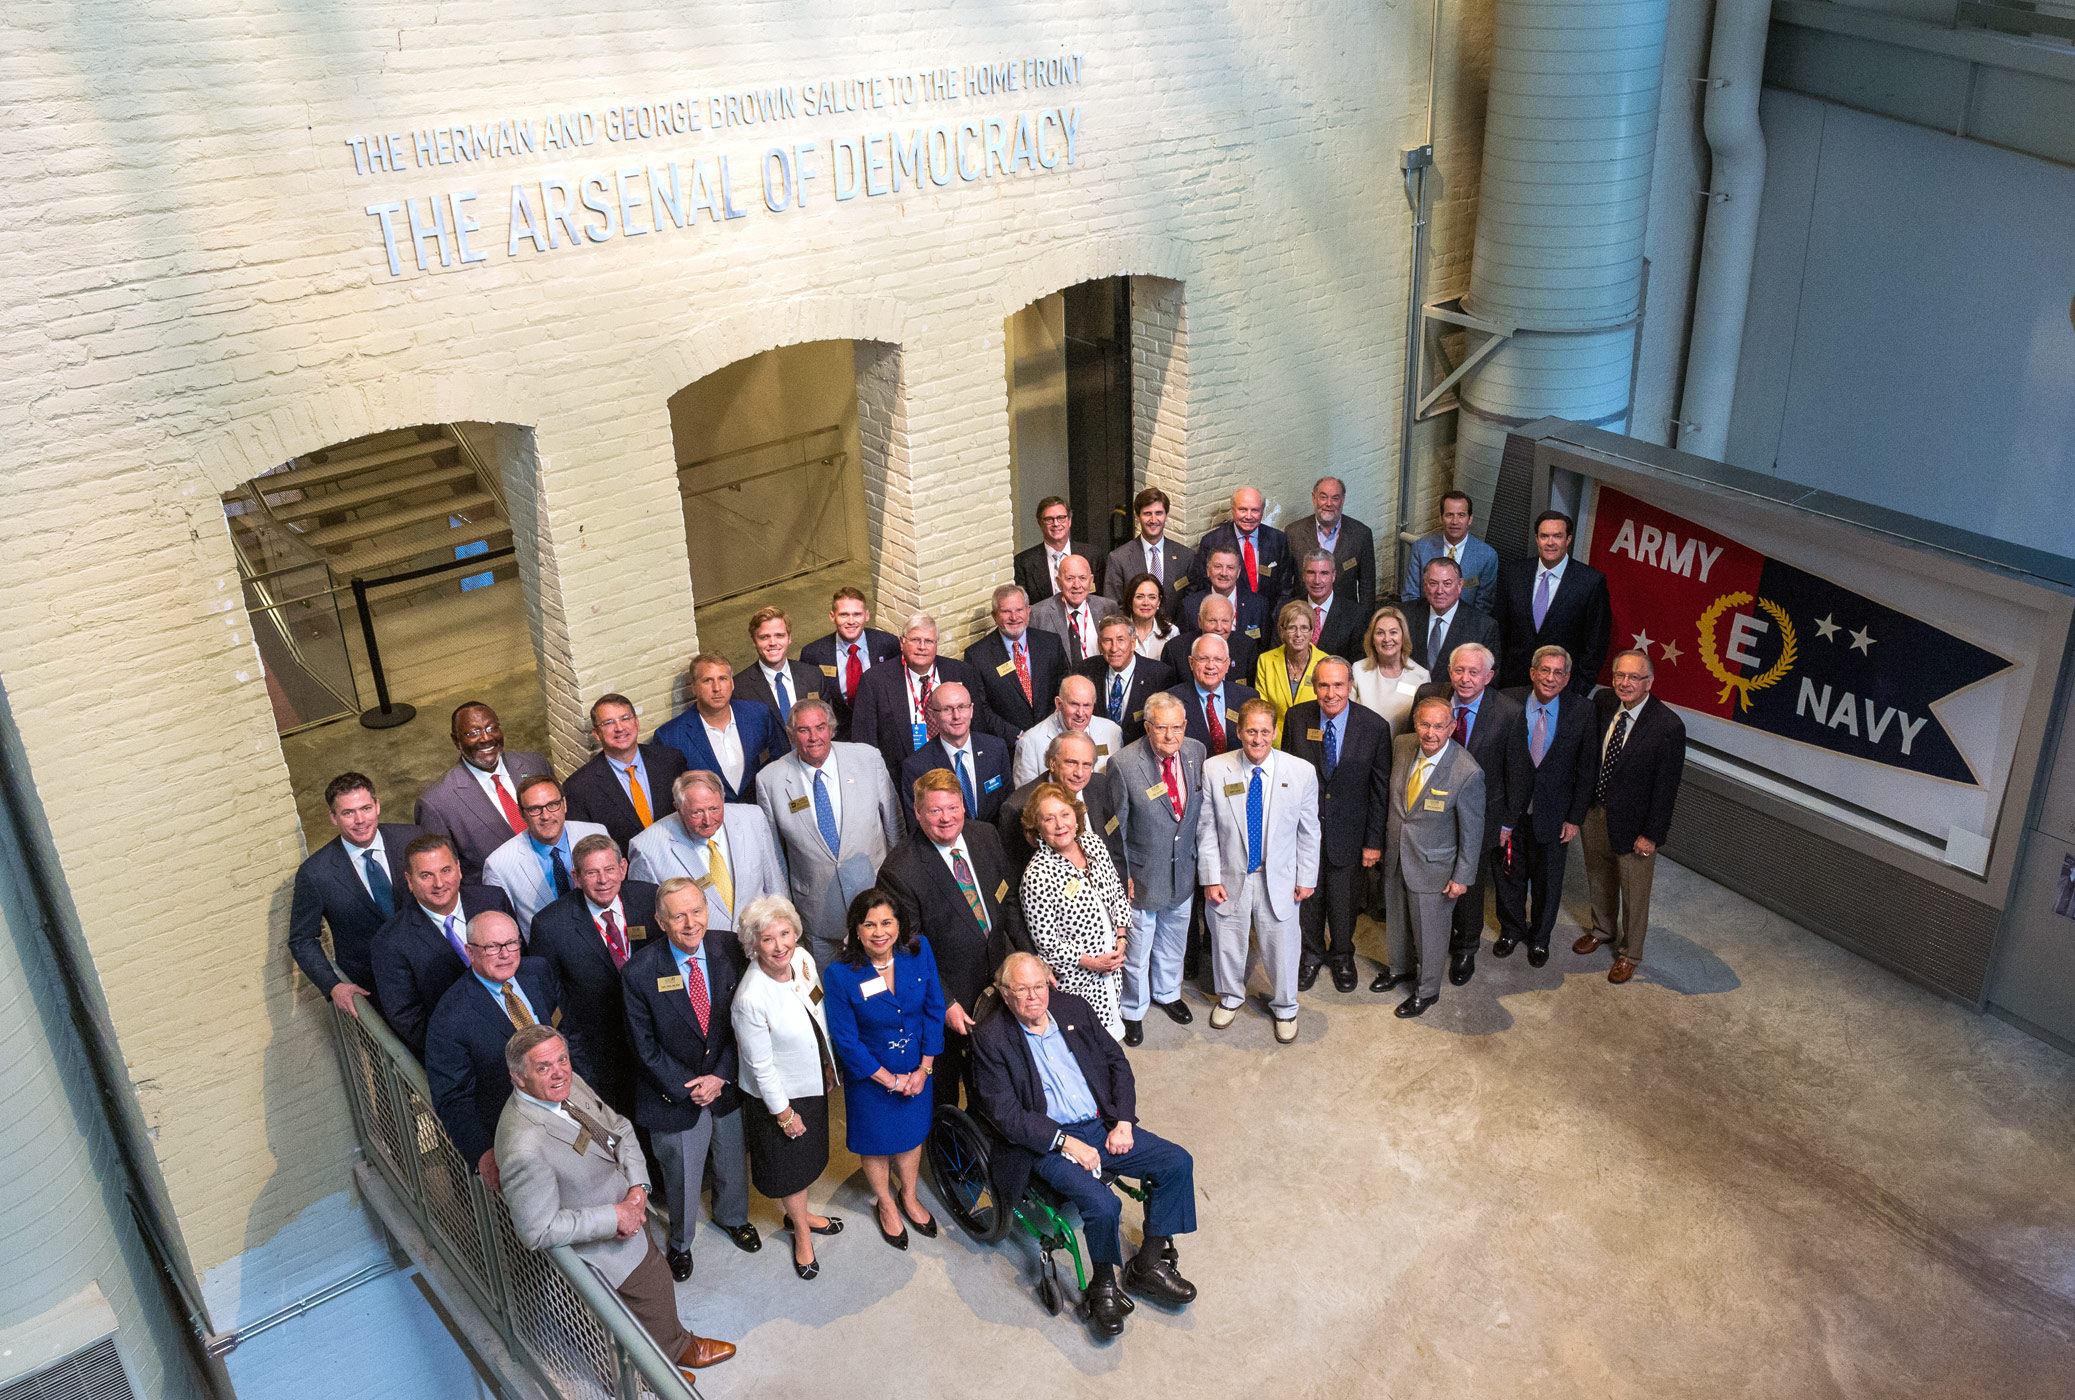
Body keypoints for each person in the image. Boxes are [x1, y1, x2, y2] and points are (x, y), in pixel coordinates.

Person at [971, 953, 1199, 1339]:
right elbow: (1006, 1115)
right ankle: (1103, 1284)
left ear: (1049, 982)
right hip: (1046, 1144)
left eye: (1038, 986)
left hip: (1102, 1124)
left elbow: (1116, 1063)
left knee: (1176, 1162)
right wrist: (1065, 1142)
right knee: (1103, 1204)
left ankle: (1147, 1265)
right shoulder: (991, 1038)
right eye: (1022, 989)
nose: (1033, 996)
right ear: (1005, 994)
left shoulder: (1073, 1008)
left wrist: (1123, 1120)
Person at [497, 1025, 737, 1375]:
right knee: (637, 1299)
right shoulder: (524, 1146)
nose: (559, 1072)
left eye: (562, 1059)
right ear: (518, 1077)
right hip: (599, 1244)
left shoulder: (567, 1086)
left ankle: (671, 1349)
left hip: (629, 1207)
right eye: (543, 1067)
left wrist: (638, 1189)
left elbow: (619, 1128)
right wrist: (615, 1217)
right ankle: (651, 1373)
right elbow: (537, 1230)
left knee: (654, 1286)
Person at [620, 877, 757, 1281]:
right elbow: (643, 1047)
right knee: (681, 1176)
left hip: (724, 1083)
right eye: (678, 916)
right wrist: (692, 1086)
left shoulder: (729, 948)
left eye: (697, 911)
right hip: (674, 1095)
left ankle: (733, 1217)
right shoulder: (639, 972)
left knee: (732, 1159)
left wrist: (720, 1076)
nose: (690, 922)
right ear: (660, 921)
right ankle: (680, 1243)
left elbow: (743, 1022)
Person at [879, 771, 1033, 1106]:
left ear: (963, 805)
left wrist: (1031, 960)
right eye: (935, 810)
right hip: (950, 998)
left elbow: (1007, 901)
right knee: (948, 1090)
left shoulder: (985, 835)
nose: (946, 818)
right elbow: (907, 948)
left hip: (1001, 980)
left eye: (952, 807)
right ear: (917, 812)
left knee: (999, 1079)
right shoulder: (899, 870)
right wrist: (945, 1001)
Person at [821, 889, 945, 1249]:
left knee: (911, 1135)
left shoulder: (919, 951)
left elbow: (934, 1008)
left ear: (899, 924)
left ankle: (909, 1195)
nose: (879, 932)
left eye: (887, 922)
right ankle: (886, 1203)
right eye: (869, 924)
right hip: (870, 1077)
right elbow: (846, 1040)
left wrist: (924, 1069)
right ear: (856, 930)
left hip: (917, 1070)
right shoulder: (839, 974)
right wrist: (890, 1080)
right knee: (876, 1143)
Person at [730, 895, 845, 1281]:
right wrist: (783, 1114)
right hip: (779, 1098)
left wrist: (827, 1064)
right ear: (753, 945)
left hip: (809, 1080)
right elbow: (761, 1068)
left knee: (807, 1160)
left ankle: (802, 1214)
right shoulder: (750, 998)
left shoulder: (803, 960)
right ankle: (801, 1233)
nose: (780, 945)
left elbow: (817, 1015)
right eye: (768, 939)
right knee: (790, 1170)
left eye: (785, 933)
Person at [1198, 699, 1321, 1042]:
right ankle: (1230, 997)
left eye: (1265, 731)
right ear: (1239, 731)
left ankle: (1286, 1007)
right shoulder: (1215, 769)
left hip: (1278, 877)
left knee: (1282, 948)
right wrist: (1210, 877)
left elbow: (1309, 831)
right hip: (1229, 876)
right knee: (1227, 941)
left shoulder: (1300, 772)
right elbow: (1206, 829)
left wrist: (1306, 877)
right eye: (1251, 731)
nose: (1258, 739)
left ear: (1276, 732)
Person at [1413, 641, 1529, 986]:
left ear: (1488, 676)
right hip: (1429, 811)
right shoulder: (1428, 695)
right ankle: (1430, 940)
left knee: (1468, 886)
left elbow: (1518, 772)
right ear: (1449, 671)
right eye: (1459, 670)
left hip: (1480, 817)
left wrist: (1507, 822)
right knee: (1429, 879)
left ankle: (1465, 947)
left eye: (1474, 672)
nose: (1465, 679)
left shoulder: (1509, 712)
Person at [756, 698, 902, 969]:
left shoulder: (867, 758)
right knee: (830, 987)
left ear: (832, 729)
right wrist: (785, 910)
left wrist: (900, 886)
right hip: (817, 914)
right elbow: (774, 854)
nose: (814, 737)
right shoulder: (769, 780)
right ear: (791, 735)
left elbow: (894, 825)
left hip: (875, 903)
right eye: (803, 730)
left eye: (820, 727)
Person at [1573, 650, 1687, 984]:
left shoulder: (1668, 726)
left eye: (1634, 677)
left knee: (1634, 893)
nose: (1625, 683)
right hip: (1596, 811)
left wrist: (1651, 835)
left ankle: (1630, 953)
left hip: (1636, 826)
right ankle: (1602, 929)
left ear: (1649, 682)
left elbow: (1666, 789)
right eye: (1619, 675)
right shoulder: (1604, 702)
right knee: (1598, 874)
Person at [426, 911, 562, 1190]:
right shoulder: (450, 1017)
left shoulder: (538, 971)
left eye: (511, 943)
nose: (505, 954)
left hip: (568, 1112)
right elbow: (453, 1098)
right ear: (470, 952)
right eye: (492, 947)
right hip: (518, 1135)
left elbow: (566, 1028)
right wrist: (484, 1154)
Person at [1279, 657, 1391, 993]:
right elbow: (1286, 777)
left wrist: (1374, 842)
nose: (1331, 693)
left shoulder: (1374, 726)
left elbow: (1380, 790)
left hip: (1351, 834)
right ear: (1314, 686)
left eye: (1338, 685)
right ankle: (1311, 954)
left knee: (1344, 902)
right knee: (1308, 899)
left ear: (1351, 686)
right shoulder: (1297, 718)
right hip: (1304, 832)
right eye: (1324, 685)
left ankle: (1342, 956)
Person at [528, 834, 653, 1117]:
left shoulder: (649, 899)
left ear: (623, 868)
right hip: (599, 1058)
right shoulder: (550, 925)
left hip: (655, 1048)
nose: (603, 880)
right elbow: (548, 1001)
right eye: (592, 873)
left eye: (609, 869)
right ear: (576, 877)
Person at [1106, 693, 1206, 1043]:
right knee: (1137, 950)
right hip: (1142, 875)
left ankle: (1168, 993)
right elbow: (1116, 828)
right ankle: (1133, 1008)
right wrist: (1123, 875)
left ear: (1185, 726)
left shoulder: (1196, 752)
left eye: (1176, 727)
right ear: (1147, 727)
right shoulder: (1123, 764)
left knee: (1174, 941)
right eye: (1161, 727)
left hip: (1183, 871)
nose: (1170, 735)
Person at [1495, 647, 1600, 967]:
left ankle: (1540, 939)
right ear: (1532, 672)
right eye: (1544, 670)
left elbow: (1587, 770)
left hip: (1554, 815)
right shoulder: (1507, 700)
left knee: (1548, 882)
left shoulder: (1582, 711)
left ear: (1567, 678)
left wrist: (1575, 818)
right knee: (1508, 875)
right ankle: (1511, 930)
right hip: (1510, 812)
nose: (1550, 678)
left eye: (1558, 673)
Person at [1382, 696, 1487, 1015]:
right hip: (1397, 854)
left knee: (1430, 934)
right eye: (1424, 724)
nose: (1431, 733)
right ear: (1415, 724)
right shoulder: (1402, 745)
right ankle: (1400, 969)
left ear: (1452, 728)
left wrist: (1462, 877)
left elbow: (1473, 831)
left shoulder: (1467, 771)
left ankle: (1427, 991)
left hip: (1434, 867)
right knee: (1397, 922)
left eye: (1439, 726)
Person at [370, 834, 515, 1059]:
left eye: (445, 870)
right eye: (426, 875)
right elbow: (408, 1018)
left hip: (522, 1027)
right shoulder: (390, 942)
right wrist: (460, 1050)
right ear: (409, 881)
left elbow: (521, 960)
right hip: (464, 1055)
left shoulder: (493, 900)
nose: (438, 883)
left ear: (459, 869)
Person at [289, 772, 421, 1017]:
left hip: (433, 968)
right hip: (374, 990)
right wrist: (333, 985)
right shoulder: (316, 873)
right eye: (348, 813)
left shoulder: (412, 840)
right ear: (333, 817)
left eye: (366, 808)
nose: (360, 820)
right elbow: (302, 939)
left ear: (377, 806)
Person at [1020, 782, 1133, 1037]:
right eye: (1049, 819)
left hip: (1112, 969)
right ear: (1037, 827)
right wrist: (1094, 963)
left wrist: (1121, 939)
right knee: (1086, 1043)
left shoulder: (1093, 843)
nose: (1060, 825)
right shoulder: (1037, 876)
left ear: (1076, 815)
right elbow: (1048, 946)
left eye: (1065, 814)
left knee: (1111, 1038)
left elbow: (1117, 892)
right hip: (1078, 982)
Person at [625, 770, 786, 940]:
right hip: (702, 950)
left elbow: (775, 887)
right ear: (678, 807)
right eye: (697, 812)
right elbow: (648, 920)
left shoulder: (752, 818)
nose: (708, 820)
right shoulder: (646, 848)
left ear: (723, 797)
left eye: (714, 809)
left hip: (762, 942)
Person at [850, 612, 1004, 778]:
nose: (922, 647)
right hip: (900, 778)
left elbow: (978, 726)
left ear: (936, 644)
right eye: (915, 640)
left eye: (929, 641)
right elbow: (864, 743)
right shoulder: (874, 681)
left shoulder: (961, 672)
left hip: (956, 771)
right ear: (902, 642)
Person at [413, 702, 551, 879]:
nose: (486, 738)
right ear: (456, 741)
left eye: (492, 728)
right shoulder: (437, 803)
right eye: (473, 733)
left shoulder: (535, 764)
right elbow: (445, 875)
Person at [1496, 510, 1613, 693]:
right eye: (1544, 536)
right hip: (1511, 685)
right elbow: (1499, 629)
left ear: (1568, 539)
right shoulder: (1513, 573)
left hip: (1562, 688)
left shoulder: (1590, 582)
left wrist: (1579, 689)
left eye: (1557, 536)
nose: (1550, 542)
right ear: (1536, 539)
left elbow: (1596, 643)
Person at [481, 774, 610, 937]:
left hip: (606, 938)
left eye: (552, 805)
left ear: (564, 805)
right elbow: (501, 930)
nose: (546, 816)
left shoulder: (597, 833)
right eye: (535, 809)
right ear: (522, 814)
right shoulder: (498, 865)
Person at [563, 694, 688, 855]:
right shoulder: (579, 787)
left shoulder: (671, 760)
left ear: (636, 722)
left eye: (625, 718)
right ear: (597, 733)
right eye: (609, 722)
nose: (619, 728)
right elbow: (586, 851)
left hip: (683, 855)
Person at [653, 652, 782, 804]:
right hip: (710, 816)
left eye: (722, 678)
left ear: (732, 683)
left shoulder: (758, 714)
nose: (717, 688)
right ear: (694, 687)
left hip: (761, 808)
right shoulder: (670, 736)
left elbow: (778, 760)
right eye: (707, 680)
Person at [999, 731, 1125, 880]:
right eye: (1071, 763)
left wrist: (1123, 880)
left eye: (1087, 764)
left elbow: (1114, 841)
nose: (1079, 773)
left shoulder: (1099, 784)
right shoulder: (1018, 807)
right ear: (1052, 763)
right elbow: (1015, 874)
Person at [897, 681, 1013, 829]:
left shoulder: (995, 748)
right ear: (932, 715)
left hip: (994, 840)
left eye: (962, 707)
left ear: (971, 710)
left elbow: (1007, 807)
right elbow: (917, 825)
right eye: (947, 709)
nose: (956, 716)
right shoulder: (916, 767)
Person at [962, 583, 1067, 740]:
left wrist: (1052, 724)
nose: (1014, 617)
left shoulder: (1051, 643)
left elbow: (1064, 686)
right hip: (1009, 743)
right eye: (1006, 611)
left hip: (1054, 734)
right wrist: (1017, 735)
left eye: (1019, 610)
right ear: (994, 616)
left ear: (1028, 610)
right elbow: (981, 708)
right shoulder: (977, 656)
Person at [801, 586, 900, 741]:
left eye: (857, 614)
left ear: (866, 615)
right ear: (832, 616)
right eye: (844, 615)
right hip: (839, 737)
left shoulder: (888, 644)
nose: (851, 621)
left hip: (883, 734)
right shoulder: (813, 654)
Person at [1075, 614, 1173, 747]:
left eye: (1120, 640)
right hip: (1096, 750)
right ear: (1099, 644)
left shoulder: (1159, 675)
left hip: (1141, 751)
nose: (1114, 648)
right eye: (1107, 640)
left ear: (1133, 643)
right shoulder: (1086, 669)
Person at [1011, 673, 1123, 787]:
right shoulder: (1030, 742)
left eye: (1087, 705)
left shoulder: (1112, 731)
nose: (1080, 713)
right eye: (1074, 704)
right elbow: (1026, 795)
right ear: (1059, 704)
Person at [1399, 489, 1500, 614]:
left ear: (1470, 519)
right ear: (1441, 518)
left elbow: (1483, 606)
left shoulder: (1487, 556)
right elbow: (1410, 596)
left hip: (1465, 623)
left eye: (1461, 515)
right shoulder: (1421, 548)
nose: (1455, 522)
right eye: (1449, 515)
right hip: (1425, 620)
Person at [1284, 475, 1375, 612]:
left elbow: (1367, 586)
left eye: (1335, 498)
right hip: (1304, 615)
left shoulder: (1361, 534)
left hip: (1345, 615)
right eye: (1323, 497)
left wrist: (1364, 620)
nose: (1328, 503)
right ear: (1314, 498)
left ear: (1343, 500)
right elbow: (1285, 584)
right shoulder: (1293, 533)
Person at [1191, 486, 1291, 609]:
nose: (1248, 516)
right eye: (1243, 509)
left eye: (1255, 510)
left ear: (1262, 511)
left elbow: (1285, 589)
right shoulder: (1212, 542)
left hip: (1269, 616)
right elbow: (1202, 586)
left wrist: (1276, 618)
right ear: (1232, 510)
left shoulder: (1278, 539)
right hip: (1229, 615)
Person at [1166, 632, 1259, 759]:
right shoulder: (1171, 700)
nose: (1210, 666)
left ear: (1227, 664)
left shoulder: (1248, 697)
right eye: (1203, 659)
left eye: (1218, 659)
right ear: (1191, 663)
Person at [1401, 556, 1500, 675]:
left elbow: (1489, 677)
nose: (1439, 591)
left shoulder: (1483, 627)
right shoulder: (1404, 615)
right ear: (1424, 585)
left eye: (1447, 584)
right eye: (1433, 583)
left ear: (1460, 585)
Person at [735, 606, 826, 729]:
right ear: (754, 641)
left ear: (789, 638)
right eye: (764, 637)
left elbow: (826, 725)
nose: (773, 642)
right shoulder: (740, 689)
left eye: (779, 635)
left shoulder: (814, 676)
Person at [1349, 604, 1432, 735]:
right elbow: (1349, 719)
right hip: (1365, 745)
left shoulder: (1421, 676)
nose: (1387, 639)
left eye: (1393, 632)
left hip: (1403, 747)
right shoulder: (1358, 670)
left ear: (1403, 636)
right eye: (1380, 633)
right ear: (1372, 638)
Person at [1103, 487, 1190, 608]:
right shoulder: (1118, 558)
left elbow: (1189, 604)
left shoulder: (1186, 557)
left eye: (1158, 513)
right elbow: (1113, 607)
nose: (1153, 520)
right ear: (1137, 517)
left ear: (1166, 516)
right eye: (1147, 513)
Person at [1253, 600, 1324, 744]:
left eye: (1304, 628)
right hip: (1274, 741)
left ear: (1312, 631)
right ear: (1282, 631)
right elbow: (1263, 708)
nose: (1298, 634)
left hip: (1313, 741)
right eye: (1292, 628)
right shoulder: (1266, 661)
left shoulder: (1325, 663)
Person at [1029, 554, 1118, 666]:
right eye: (1070, 579)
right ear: (1058, 582)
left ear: (1091, 581)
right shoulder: (1038, 614)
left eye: (1082, 578)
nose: (1077, 585)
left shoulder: (1108, 608)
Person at [1014, 495, 1103, 604]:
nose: (1056, 524)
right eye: (1049, 519)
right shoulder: (1023, 563)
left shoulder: (1092, 556)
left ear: (1069, 521)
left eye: (1061, 518)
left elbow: (1100, 600)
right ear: (1040, 523)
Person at [1161, 591, 1260, 684]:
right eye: (1212, 621)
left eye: (1225, 621)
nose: (1219, 628)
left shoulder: (1246, 646)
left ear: (1232, 620)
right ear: (1200, 621)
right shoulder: (1175, 650)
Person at [1176, 545, 1271, 642]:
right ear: (1208, 570)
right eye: (1218, 566)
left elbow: (1264, 646)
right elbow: (1184, 645)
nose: (1224, 573)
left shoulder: (1259, 605)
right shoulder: (1189, 606)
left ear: (1238, 572)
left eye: (1230, 568)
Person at [1293, 549, 1363, 661]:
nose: (1317, 581)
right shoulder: (1288, 609)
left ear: (1333, 576)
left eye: (1324, 573)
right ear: (1303, 575)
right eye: (1311, 573)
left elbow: (1357, 662)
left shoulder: (1354, 614)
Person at [1118, 572, 1180, 663]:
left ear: (1159, 601)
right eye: (1139, 597)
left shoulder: (1172, 632)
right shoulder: (1118, 631)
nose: (1146, 603)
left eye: (1152, 597)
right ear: (1130, 600)